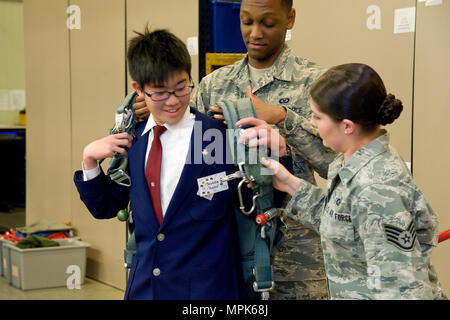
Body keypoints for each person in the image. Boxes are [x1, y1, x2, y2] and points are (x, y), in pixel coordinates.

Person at [132, 0, 336, 300]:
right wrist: (155, 107)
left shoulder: (315, 83)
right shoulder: (214, 85)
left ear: (289, 19)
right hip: (229, 252)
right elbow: (188, 164)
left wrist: (282, 117)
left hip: (296, 255)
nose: (255, 33)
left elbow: (334, 162)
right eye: (246, 21)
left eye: (267, 23)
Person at [239, 63, 448, 299]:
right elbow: (343, 222)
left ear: (347, 126)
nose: (312, 122)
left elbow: (403, 290)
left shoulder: (377, 190)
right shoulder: (352, 159)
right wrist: (288, 183)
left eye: (317, 116)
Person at [73, 28, 246, 300]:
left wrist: (274, 154)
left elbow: (251, 198)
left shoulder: (215, 137)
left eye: (182, 87)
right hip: (146, 289)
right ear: (139, 89)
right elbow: (106, 207)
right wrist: (90, 159)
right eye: (160, 93)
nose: (174, 100)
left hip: (206, 292)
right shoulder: (133, 140)